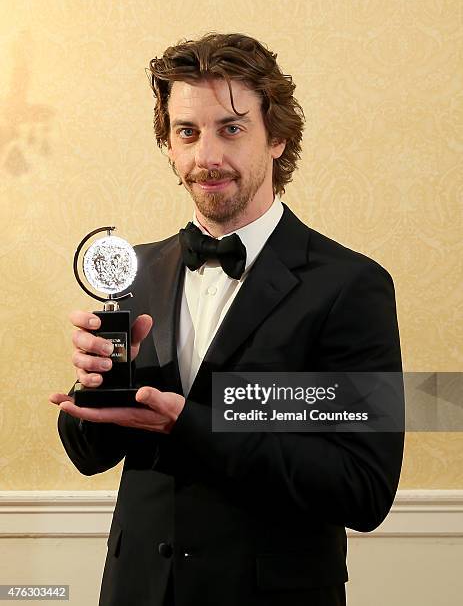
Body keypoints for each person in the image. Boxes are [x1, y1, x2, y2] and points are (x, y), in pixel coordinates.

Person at [51, 33, 404, 606]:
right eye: (187, 132)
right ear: (167, 143)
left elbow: (363, 490)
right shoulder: (134, 272)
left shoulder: (350, 286)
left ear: (278, 139)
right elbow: (89, 456)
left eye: (231, 129)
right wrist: (94, 388)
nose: (206, 157)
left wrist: (185, 424)